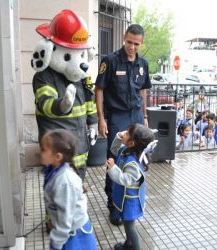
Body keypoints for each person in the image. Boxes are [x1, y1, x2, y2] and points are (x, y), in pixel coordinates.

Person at [95, 24, 151, 225]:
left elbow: (143, 90)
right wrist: (101, 118)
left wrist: (144, 116)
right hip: (117, 117)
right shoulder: (110, 61)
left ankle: (132, 201)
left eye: (136, 44)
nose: (132, 47)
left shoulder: (143, 64)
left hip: (136, 116)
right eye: (129, 42)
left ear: (140, 43)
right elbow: (99, 89)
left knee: (137, 158)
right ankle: (114, 204)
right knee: (115, 157)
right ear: (124, 39)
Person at [41, 129, 97, 250]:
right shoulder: (54, 170)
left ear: (57, 156)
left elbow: (66, 218)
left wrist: (56, 242)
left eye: (43, 150)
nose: (40, 153)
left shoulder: (64, 181)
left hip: (74, 234)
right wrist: (53, 219)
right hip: (68, 231)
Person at [106, 124, 156, 250]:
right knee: (127, 223)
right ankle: (129, 244)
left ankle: (135, 247)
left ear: (132, 143)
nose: (124, 133)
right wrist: (118, 136)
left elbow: (126, 179)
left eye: (127, 133)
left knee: (130, 226)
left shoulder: (133, 163)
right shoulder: (126, 150)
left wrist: (113, 169)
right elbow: (114, 149)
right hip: (124, 197)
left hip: (130, 201)